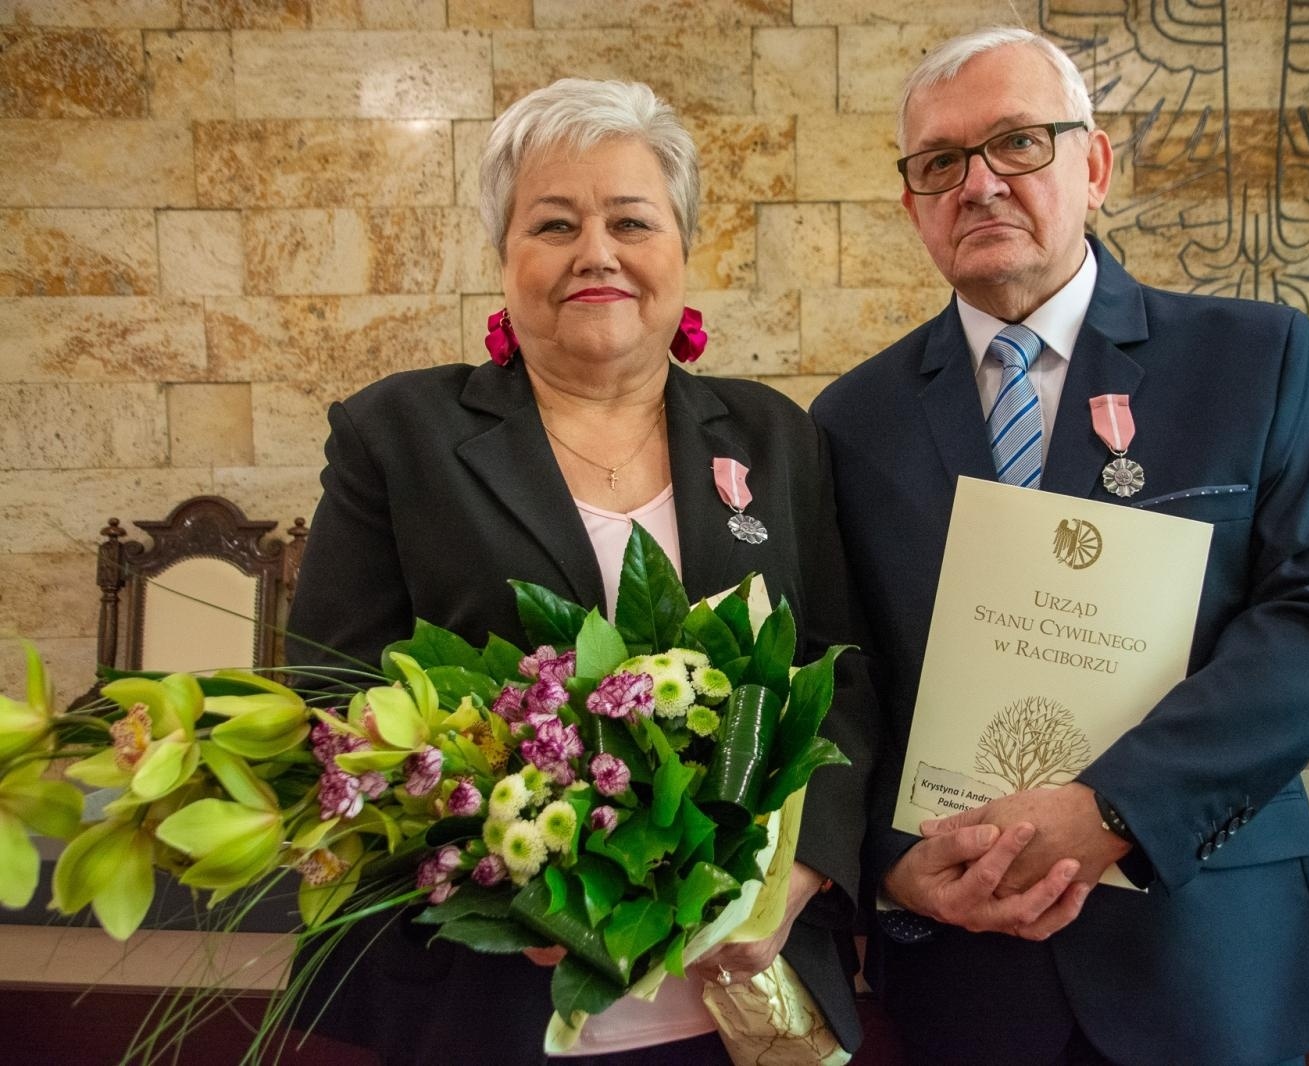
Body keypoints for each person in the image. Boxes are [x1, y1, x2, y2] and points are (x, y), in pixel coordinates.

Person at [811, 26, 1309, 1066]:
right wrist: (892, 863)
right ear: (912, 205)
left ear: (1095, 166)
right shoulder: (854, 420)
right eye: (940, 162)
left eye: (1017, 143)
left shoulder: (1248, 359)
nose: (979, 184)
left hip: (1206, 956)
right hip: (967, 973)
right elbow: (843, 676)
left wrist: (1118, 807)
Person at [285, 78, 873, 1066]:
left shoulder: (773, 435)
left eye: (631, 221)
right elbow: (335, 697)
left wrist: (802, 874)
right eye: (554, 224)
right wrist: (502, 884)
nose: (596, 252)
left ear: (682, 248)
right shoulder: (398, 435)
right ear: (504, 255)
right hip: (493, 1006)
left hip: (739, 1007)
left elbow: (840, 671)